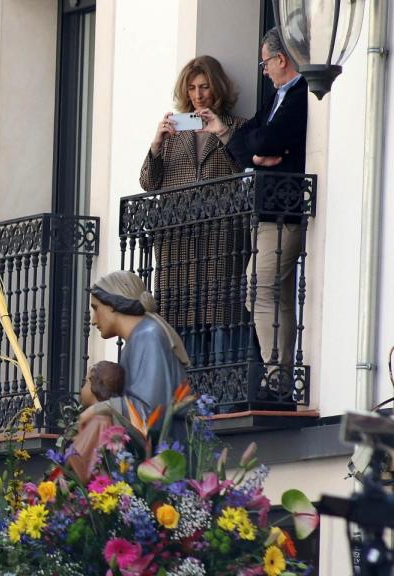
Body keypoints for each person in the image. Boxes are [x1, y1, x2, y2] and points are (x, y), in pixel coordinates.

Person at [204, 27, 308, 367]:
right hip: (266, 209)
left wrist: (257, 149)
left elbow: (264, 141)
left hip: (284, 210)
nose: (263, 71)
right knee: (274, 294)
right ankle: (280, 374)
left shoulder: (301, 93)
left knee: (258, 288)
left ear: (281, 59)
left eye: (265, 63)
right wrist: (255, 155)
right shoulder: (277, 98)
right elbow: (250, 137)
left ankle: (275, 374)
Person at [140, 55, 246, 360]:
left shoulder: (237, 127)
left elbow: (244, 168)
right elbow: (148, 182)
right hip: (177, 244)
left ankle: (221, 382)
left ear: (217, 88)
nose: (198, 95)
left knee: (220, 314)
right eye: (191, 88)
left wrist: (221, 133)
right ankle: (186, 384)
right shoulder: (174, 134)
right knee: (180, 320)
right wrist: (156, 145)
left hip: (220, 239)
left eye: (204, 87)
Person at [80, 271, 190, 429]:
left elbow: (150, 414)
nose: (93, 320)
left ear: (112, 304)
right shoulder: (138, 340)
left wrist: (99, 409)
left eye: (96, 308)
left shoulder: (148, 336)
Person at [68, 360, 126, 485]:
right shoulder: (97, 419)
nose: (82, 388)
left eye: (85, 383)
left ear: (94, 386)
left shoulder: (99, 422)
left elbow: (78, 460)